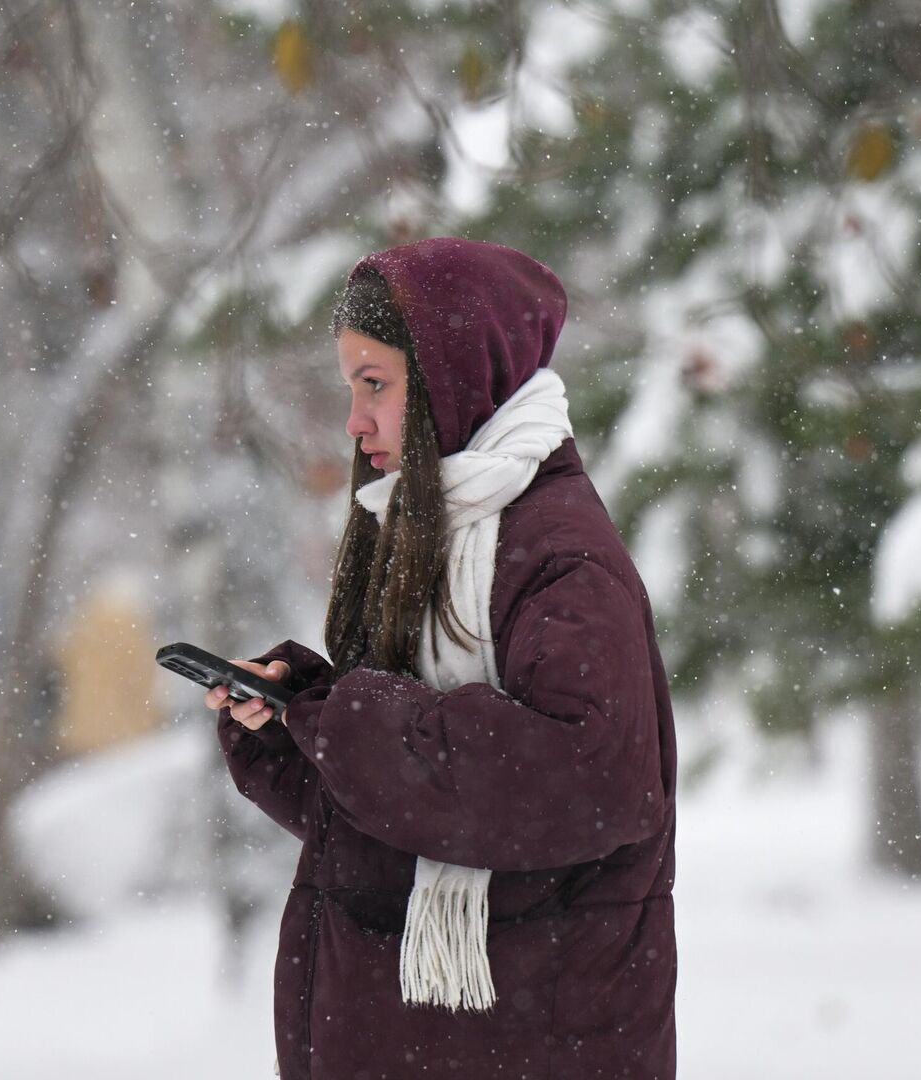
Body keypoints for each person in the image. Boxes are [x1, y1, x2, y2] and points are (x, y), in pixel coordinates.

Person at [205, 237, 677, 1079]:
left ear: (453, 378)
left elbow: (583, 780)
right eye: (351, 388)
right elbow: (402, 813)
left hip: (527, 1043)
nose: (355, 422)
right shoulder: (431, 532)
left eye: (376, 385)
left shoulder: (561, 560)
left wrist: (349, 721)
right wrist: (295, 725)